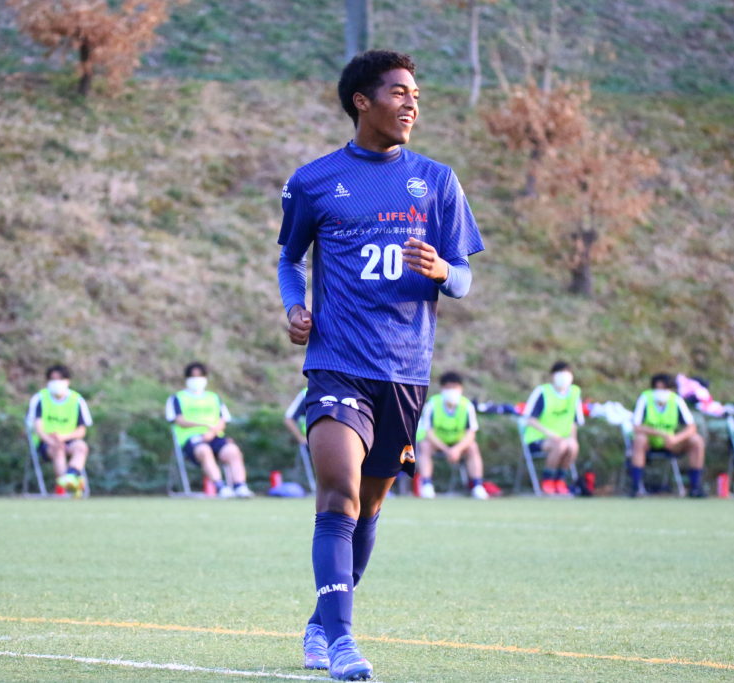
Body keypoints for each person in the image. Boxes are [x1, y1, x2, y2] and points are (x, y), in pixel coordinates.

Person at [277, 50, 484, 680]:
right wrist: (295, 307)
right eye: (399, 92)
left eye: (416, 94)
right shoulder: (314, 181)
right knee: (338, 495)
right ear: (362, 101)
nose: (412, 103)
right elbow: (290, 259)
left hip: (404, 372)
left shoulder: (437, 181)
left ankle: (320, 623)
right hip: (336, 363)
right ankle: (342, 642)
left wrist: (443, 270)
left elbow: (464, 278)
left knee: (368, 509)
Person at [166, 362, 252, 499]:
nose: (197, 380)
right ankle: (221, 487)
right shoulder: (177, 398)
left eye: (200, 376)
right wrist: (204, 425)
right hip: (191, 439)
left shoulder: (213, 397)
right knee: (204, 450)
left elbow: (223, 420)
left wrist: (211, 433)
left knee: (233, 451)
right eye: (193, 376)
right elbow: (179, 420)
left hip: (214, 436)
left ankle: (240, 486)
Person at [628, 373, 706, 498]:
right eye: (658, 388)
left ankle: (695, 487)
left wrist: (676, 438)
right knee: (639, 440)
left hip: (670, 442)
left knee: (696, 440)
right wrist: (659, 433)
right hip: (650, 440)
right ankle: (636, 487)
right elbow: (636, 426)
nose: (661, 392)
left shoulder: (676, 400)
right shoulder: (645, 398)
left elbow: (691, 427)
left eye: (664, 388)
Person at [415, 371, 489, 500]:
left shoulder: (467, 406)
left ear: (461, 388)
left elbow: (470, 434)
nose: (451, 391)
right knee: (424, 446)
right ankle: (426, 485)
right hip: (437, 443)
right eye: (448, 387)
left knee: (473, 447)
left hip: (458, 443)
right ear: (442, 388)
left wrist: (457, 449)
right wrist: (447, 450)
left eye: (454, 387)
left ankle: (477, 486)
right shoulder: (432, 404)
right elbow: (428, 432)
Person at [27, 364, 93, 498]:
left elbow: (81, 430)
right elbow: (37, 428)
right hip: (46, 442)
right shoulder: (40, 399)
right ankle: (64, 488)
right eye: (53, 379)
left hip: (68, 439)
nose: (56, 383)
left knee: (81, 447)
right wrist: (52, 441)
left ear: (67, 381)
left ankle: (70, 477)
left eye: (60, 379)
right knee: (58, 449)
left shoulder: (76, 400)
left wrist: (63, 437)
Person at [522, 360, 583, 496]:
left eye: (567, 373)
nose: (564, 376)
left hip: (563, 438)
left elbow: (573, 422)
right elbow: (529, 419)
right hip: (538, 438)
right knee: (560, 446)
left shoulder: (574, 393)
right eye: (560, 373)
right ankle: (547, 480)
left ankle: (560, 480)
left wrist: (572, 439)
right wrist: (551, 435)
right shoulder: (543, 392)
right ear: (553, 376)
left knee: (572, 446)